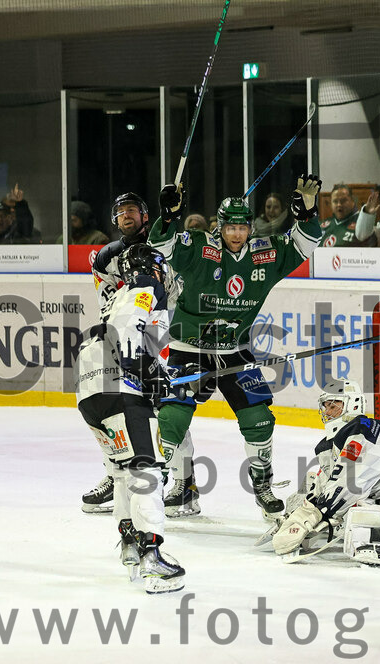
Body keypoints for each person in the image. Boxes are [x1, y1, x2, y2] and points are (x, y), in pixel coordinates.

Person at [148, 176, 325, 520]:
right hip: (189, 348)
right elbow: (163, 246)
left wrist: (307, 214)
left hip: (235, 350)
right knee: (171, 417)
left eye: (243, 228)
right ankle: (183, 488)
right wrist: (167, 216)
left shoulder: (265, 256)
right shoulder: (199, 248)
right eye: (230, 228)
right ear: (220, 226)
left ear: (249, 228)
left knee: (259, 419)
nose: (237, 235)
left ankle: (263, 488)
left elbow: (306, 244)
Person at [75, 244, 186, 594]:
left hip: (90, 392)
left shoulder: (119, 293)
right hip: (119, 387)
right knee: (147, 469)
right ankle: (152, 556)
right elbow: (126, 332)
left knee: (124, 471)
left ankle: (129, 543)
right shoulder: (145, 285)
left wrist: (157, 373)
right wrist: (146, 370)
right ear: (153, 267)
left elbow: (138, 340)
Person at [81, 192, 192, 515]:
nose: (126, 216)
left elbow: (181, 286)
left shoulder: (166, 242)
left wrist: (169, 218)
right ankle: (115, 472)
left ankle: (185, 482)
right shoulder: (106, 257)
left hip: (165, 331)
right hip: (127, 333)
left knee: (168, 406)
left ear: (145, 216)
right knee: (118, 405)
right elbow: (107, 301)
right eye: (120, 212)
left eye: (132, 210)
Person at [272, 378, 380, 567]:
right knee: (351, 507)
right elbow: (329, 480)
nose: (328, 412)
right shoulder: (335, 443)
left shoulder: (363, 429)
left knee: (372, 512)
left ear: (353, 404)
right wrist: (300, 511)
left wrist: (312, 516)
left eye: (334, 405)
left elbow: (348, 483)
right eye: (326, 407)